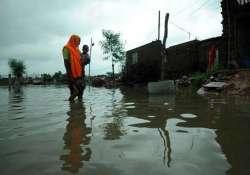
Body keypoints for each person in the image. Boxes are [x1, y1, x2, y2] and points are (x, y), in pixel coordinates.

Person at [62, 35, 83, 101]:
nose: (79, 43)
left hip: (79, 74)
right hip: (71, 73)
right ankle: (71, 106)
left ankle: (79, 109)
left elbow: (81, 60)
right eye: (78, 41)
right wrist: (70, 75)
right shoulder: (66, 48)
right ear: (74, 40)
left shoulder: (77, 50)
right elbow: (66, 63)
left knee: (80, 93)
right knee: (74, 92)